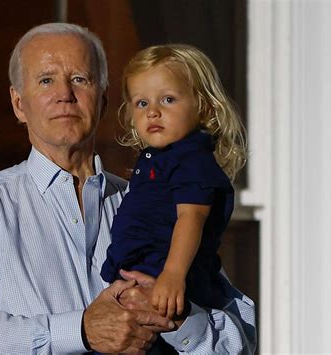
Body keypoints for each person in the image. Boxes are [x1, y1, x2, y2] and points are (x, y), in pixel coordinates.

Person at [0, 23, 256, 354]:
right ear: (19, 104)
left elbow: (241, 342)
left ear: (102, 100)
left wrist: (181, 320)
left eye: (79, 79)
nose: (64, 94)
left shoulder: (157, 202)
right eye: (46, 80)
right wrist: (81, 329)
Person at [101, 44, 247, 324]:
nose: (152, 112)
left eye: (167, 99)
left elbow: (190, 218)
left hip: (169, 280)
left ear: (203, 106)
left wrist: (172, 274)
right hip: (145, 275)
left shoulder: (191, 159)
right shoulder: (158, 159)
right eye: (142, 103)